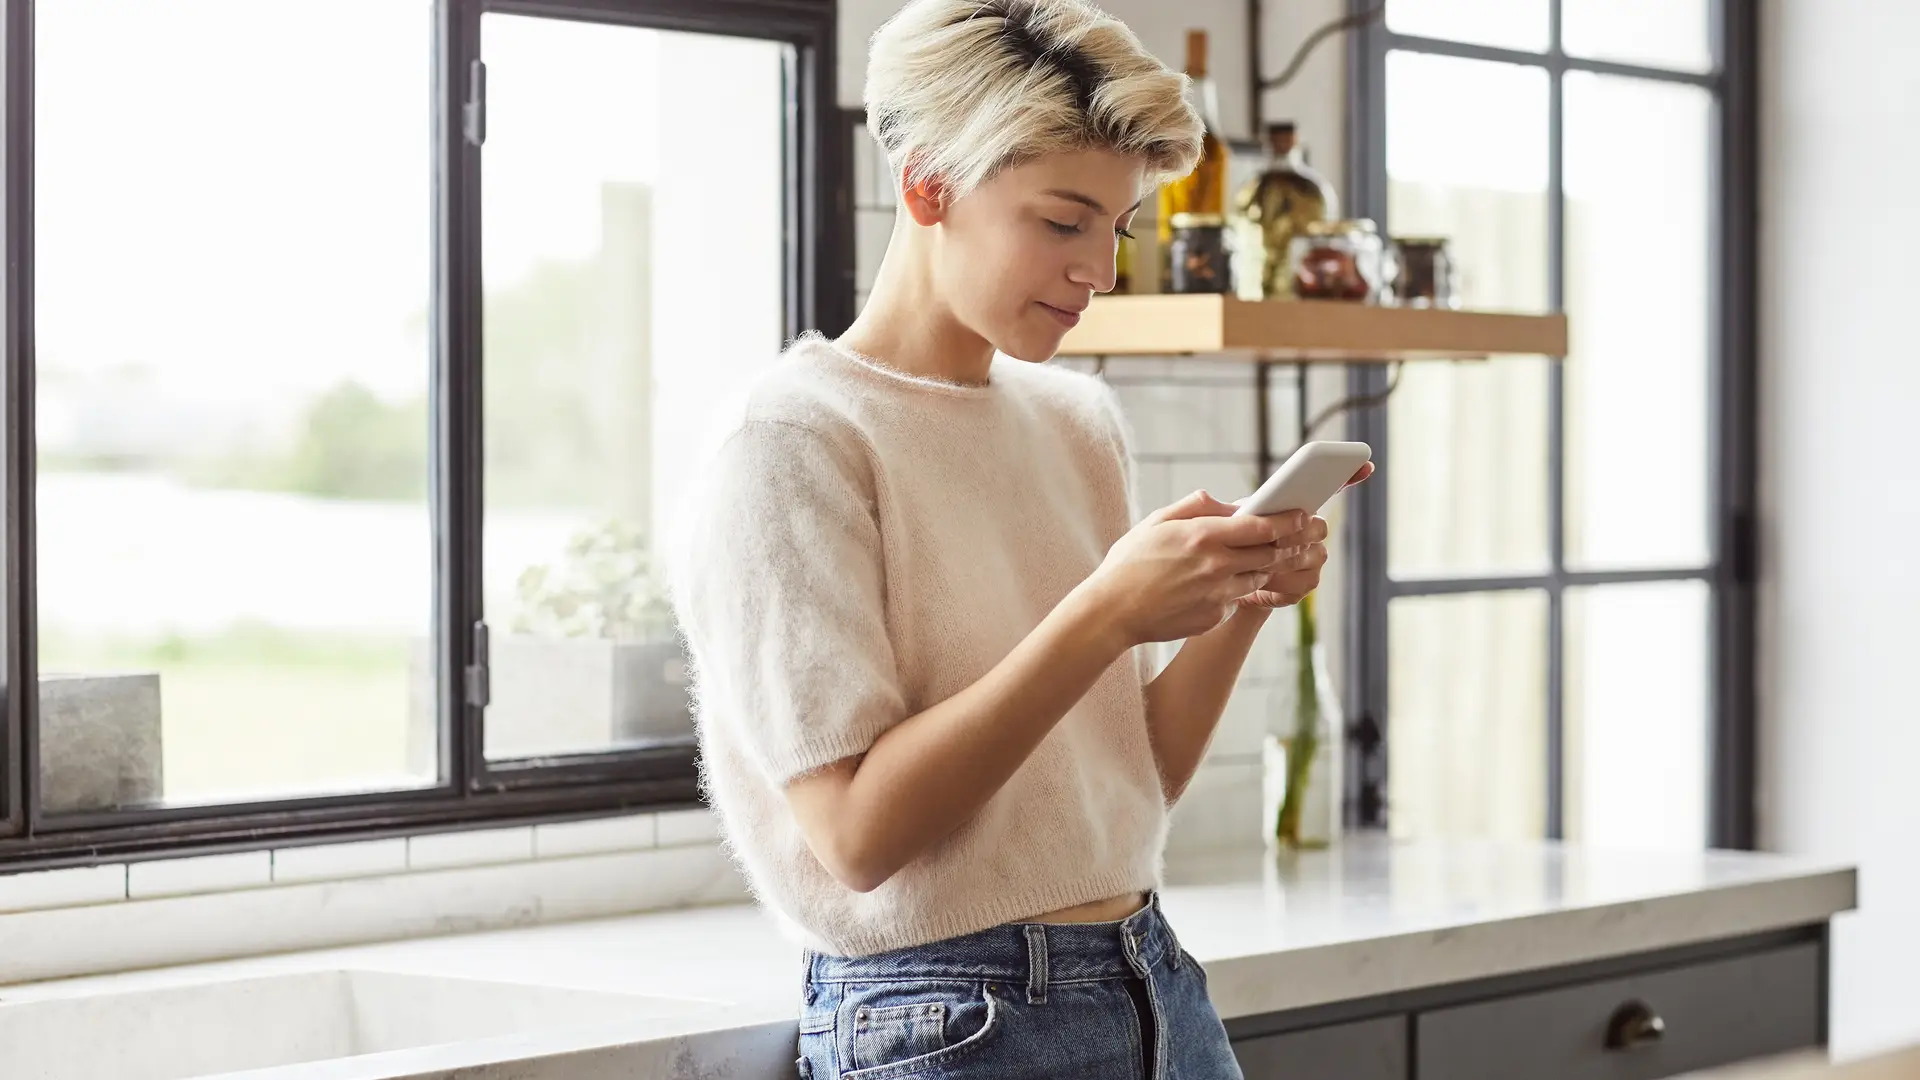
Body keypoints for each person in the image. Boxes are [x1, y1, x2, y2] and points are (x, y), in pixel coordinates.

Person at [669, 2, 1371, 1076]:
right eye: (1062, 221)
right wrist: (1102, 614)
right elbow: (857, 837)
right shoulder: (792, 442)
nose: (1099, 266)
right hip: (943, 1018)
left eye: (1119, 227)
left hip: (1153, 983)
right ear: (927, 186)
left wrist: (1239, 601)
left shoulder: (1075, 422)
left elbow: (1127, 787)